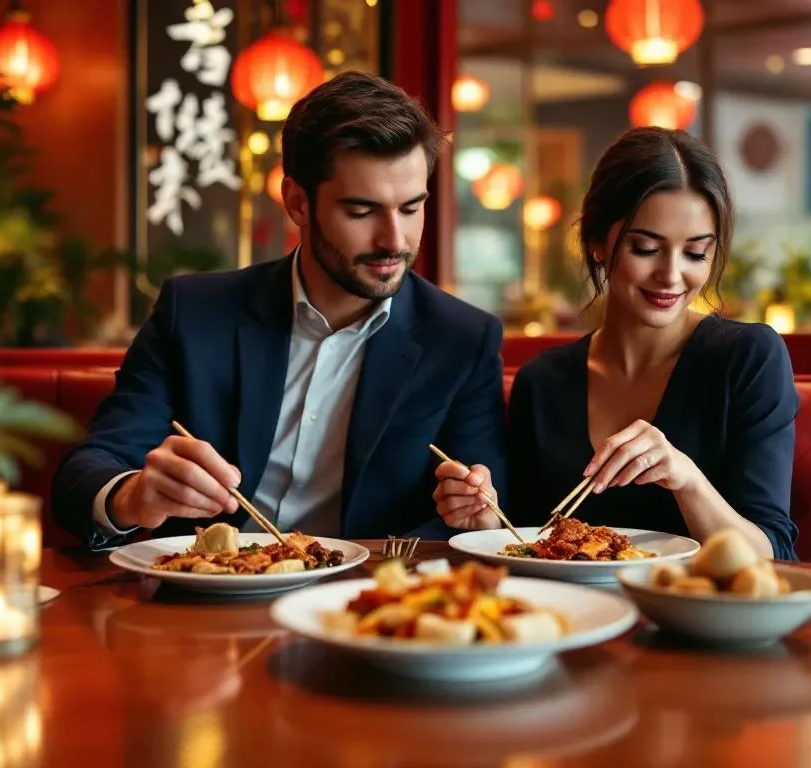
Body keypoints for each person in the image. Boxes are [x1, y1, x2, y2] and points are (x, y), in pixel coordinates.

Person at [53, 71, 507, 551]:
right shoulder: (194, 315)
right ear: (297, 202)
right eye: (361, 211)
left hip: (366, 604)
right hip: (206, 601)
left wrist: (475, 513)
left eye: (411, 208)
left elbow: (483, 513)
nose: (394, 240)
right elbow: (89, 469)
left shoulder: (461, 339)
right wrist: (132, 497)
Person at [432, 127, 799, 560]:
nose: (671, 274)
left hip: (697, 616)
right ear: (597, 243)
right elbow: (530, 540)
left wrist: (686, 478)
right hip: (574, 618)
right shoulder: (543, 381)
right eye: (646, 248)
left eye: (696, 253)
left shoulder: (748, 358)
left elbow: (773, 554)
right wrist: (486, 517)